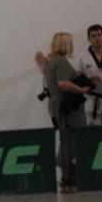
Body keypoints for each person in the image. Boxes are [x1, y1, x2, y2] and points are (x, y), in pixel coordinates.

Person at [42, 32, 91, 192]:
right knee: (72, 139)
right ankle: (70, 175)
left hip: (55, 104)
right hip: (67, 105)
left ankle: (65, 175)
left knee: (64, 139)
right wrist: (81, 89)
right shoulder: (62, 62)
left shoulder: (50, 62)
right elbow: (63, 83)